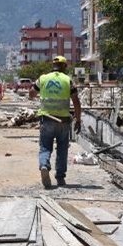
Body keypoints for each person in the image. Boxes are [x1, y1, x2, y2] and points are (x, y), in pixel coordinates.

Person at [29, 56, 81, 188]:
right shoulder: (68, 80)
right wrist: (78, 120)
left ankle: (44, 166)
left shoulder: (43, 78)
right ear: (64, 66)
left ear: (53, 65)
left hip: (46, 119)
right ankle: (60, 177)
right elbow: (76, 101)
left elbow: (31, 94)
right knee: (62, 149)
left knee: (45, 147)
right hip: (63, 121)